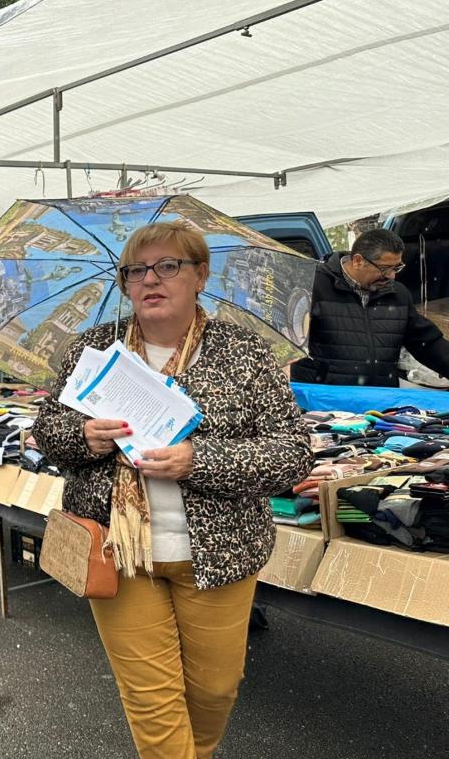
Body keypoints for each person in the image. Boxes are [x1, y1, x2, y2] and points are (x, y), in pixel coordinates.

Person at [32, 221, 312, 759]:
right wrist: (85, 437)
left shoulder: (243, 354)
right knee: (152, 703)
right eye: (135, 271)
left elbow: (292, 454)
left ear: (200, 275)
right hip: (121, 553)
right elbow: (49, 432)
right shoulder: (93, 351)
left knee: (214, 691)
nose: (149, 280)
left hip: (219, 556)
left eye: (167, 266)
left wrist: (198, 460)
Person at [291, 227, 449, 387]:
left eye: (396, 268)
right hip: (325, 401)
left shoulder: (397, 294)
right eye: (384, 269)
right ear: (358, 261)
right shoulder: (311, 285)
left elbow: (427, 344)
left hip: (381, 401)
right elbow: (287, 343)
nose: (391, 276)